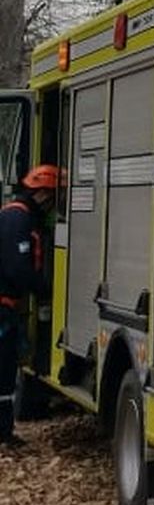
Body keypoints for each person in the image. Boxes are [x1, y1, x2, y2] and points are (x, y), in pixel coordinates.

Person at [0, 164, 58, 447]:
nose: (52, 204)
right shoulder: (18, 220)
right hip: (3, 306)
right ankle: (3, 433)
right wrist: (45, 290)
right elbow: (17, 269)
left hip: (7, 305)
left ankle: (4, 430)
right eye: (53, 196)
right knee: (4, 369)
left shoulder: (16, 215)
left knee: (7, 368)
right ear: (43, 192)